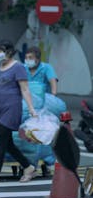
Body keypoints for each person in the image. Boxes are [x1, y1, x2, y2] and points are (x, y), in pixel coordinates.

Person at [0, 40, 37, 186]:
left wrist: (31, 108)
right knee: (8, 143)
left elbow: (24, 89)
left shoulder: (18, 67)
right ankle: (28, 167)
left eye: (0, 50)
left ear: (9, 51)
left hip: (11, 109)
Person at [24, 46, 58, 176]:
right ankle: (28, 159)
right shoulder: (23, 68)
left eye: (31, 58)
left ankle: (47, 161)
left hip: (43, 107)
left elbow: (52, 81)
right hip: (27, 105)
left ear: (38, 59)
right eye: (26, 58)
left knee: (43, 132)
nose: (28, 60)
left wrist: (53, 95)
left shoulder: (46, 68)